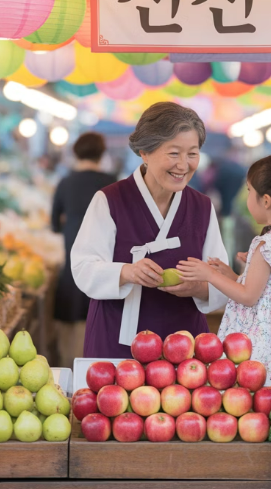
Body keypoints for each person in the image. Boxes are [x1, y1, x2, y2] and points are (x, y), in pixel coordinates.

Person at [71, 102, 230, 358]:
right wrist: (127, 271)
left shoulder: (202, 207)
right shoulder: (109, 200)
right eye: (174, 153)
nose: (183, 165)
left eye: (192, 154)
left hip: (184, 345)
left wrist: (198, 288)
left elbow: (222, 279)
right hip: (117, 339)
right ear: (145, 152)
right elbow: (83, 267)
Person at [176, 154, 271, 385]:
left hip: (265, 329)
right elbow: (268, 288)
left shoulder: (265, 244)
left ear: (265, 200)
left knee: (257, 383)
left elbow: (248, 297)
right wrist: (234, 275)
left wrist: (210, 275)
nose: (246, 199)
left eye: (248, 191)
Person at [51, 133, 117, 367]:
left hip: (72, 252)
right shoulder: (113, 182)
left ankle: (69, 363)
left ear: (75, 153)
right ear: (101, 154)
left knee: (71, 303)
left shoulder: (66, 182)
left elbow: (54, 224)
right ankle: (97, 362)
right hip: (107, 257)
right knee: (99, 301)